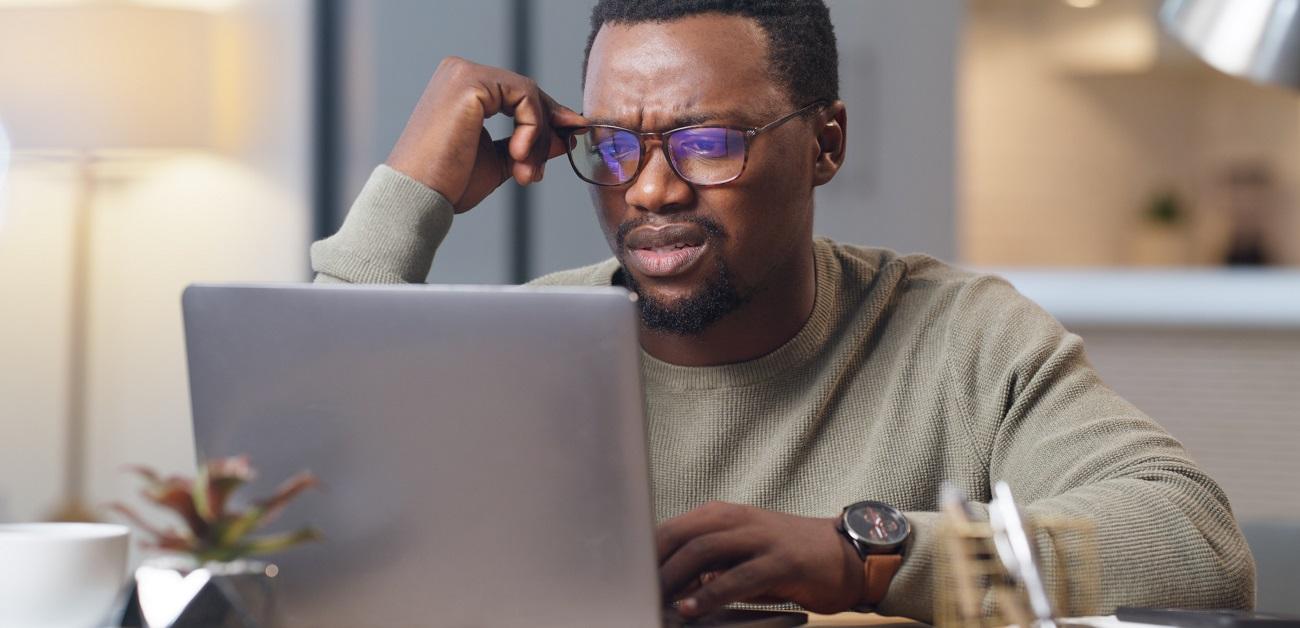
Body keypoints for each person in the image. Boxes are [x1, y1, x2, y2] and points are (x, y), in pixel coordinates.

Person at [310, 0, 1255, 621]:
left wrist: (865, 557)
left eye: (707, 140)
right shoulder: (517, 353)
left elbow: (1193, 548)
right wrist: (406, 195)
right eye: (611, 146)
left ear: (826, 143)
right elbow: (284, 517)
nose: (648, 192)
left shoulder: (961, 341)